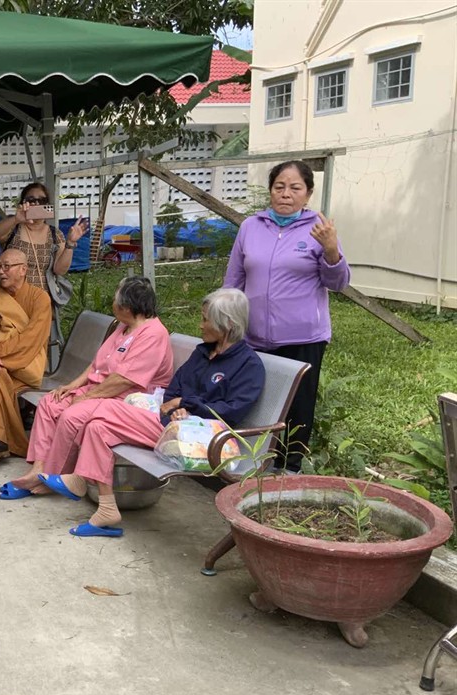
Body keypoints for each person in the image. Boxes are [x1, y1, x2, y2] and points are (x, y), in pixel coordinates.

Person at [39, 288, 265, 538]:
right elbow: (173, 390)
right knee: (97, 427)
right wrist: (177, 406)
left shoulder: (248, 365)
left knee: (107, 407)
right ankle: (107, 508)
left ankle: (79, 479)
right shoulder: (203, 353)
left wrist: (188, 406)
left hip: (206, 440)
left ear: (228, 324)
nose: (200, 325)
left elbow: (232, 411)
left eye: (205, 319)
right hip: (172, 425)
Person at [224, 160, 350, 472]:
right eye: (279, 186)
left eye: (295, 188)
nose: (286, 193)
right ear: (270, 190)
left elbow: (337, 283)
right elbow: (234, 280)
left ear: (308, 194)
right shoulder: (251, 227)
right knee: (255, 401)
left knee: (298, 408)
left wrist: (331, 250)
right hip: (253, 336)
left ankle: (288, 470)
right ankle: (250, 465)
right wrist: (226, 317)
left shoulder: (319, 229)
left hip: (303, 337)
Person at [4, 276, 173, 499]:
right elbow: (97, 363)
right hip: (100, 390)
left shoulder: (153, 334)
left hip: (126, 400)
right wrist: (72, 386)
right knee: (49, 403)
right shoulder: (123, 326)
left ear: (127, 307)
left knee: (71, 416)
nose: (112, 303)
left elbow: (124, 380)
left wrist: (86, 398)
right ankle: (38, 469)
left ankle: (52, 477)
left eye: (115, 300)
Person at [0, 248, 51, 459]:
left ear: (23, 270)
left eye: (7, 266)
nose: (1, 271)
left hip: (26, 364)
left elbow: (31, 339)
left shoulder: (40, 298)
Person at [0, 182, 88, 352]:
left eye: (41, 200)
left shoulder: (54, 233)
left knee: (38, 352)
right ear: (23, 203)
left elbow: (60, 270)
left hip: (41, 303)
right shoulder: (15, 228)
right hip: (11, 301)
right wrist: (16, 218)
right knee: (10, 347)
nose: (36, 204)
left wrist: (71, 243)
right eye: (31, 200)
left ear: (47, 204)